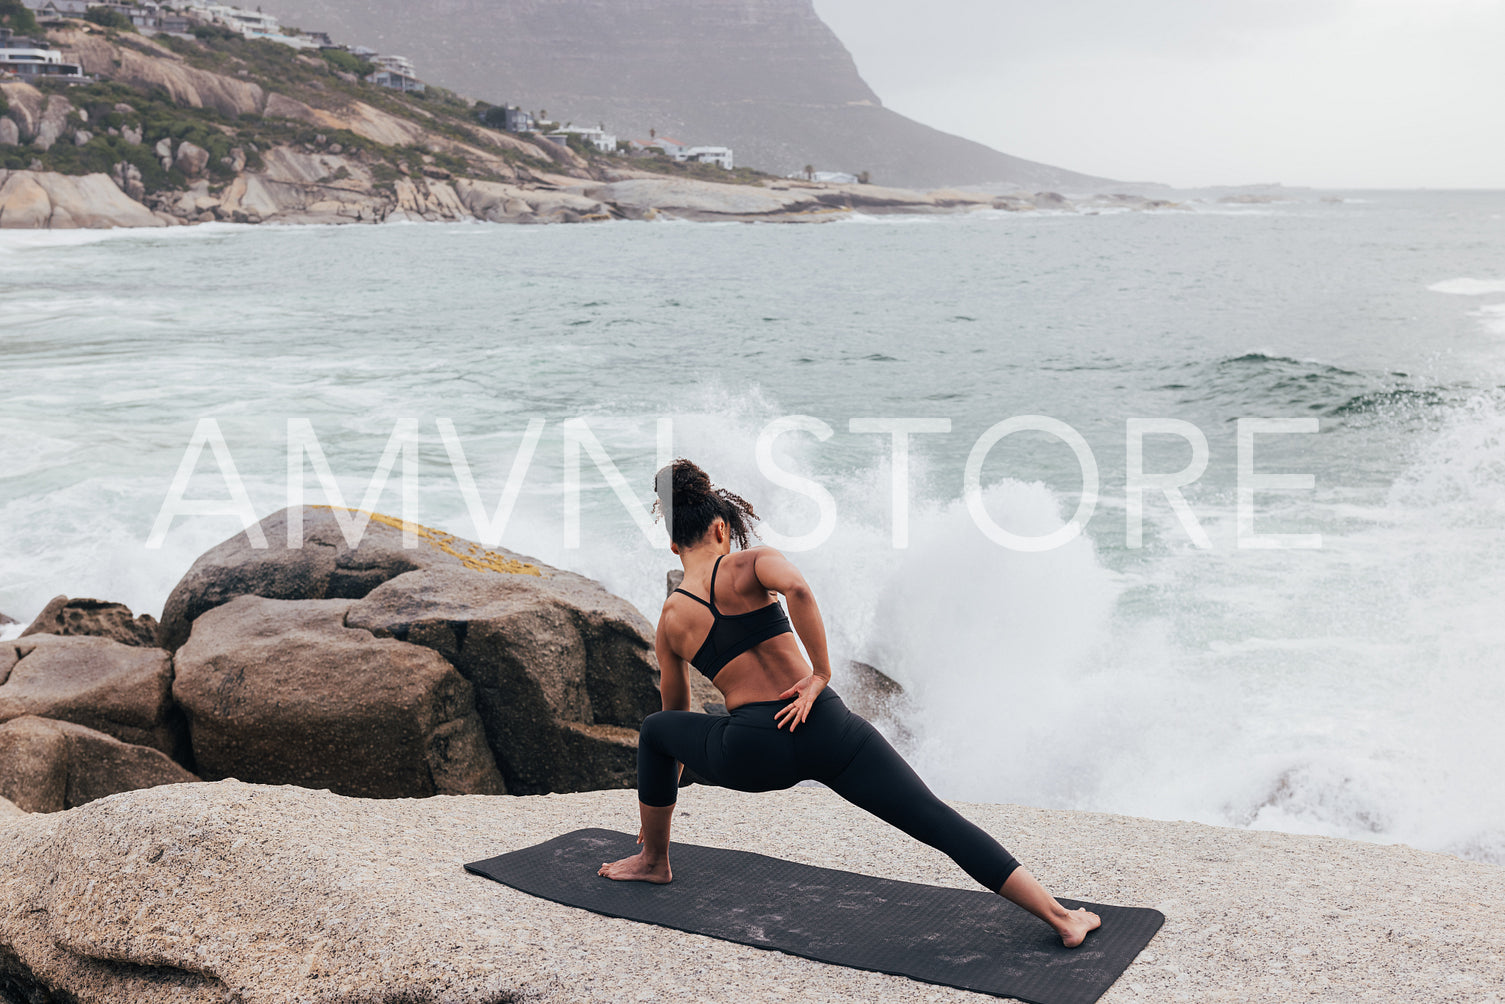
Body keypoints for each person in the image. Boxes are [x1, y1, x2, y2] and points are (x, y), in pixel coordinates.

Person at [597, 459, 1100, 949]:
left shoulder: (670, 619)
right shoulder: (751, 563)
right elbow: (796, 588)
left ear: (673, 545)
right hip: (826, 728)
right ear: (722, 530)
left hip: (752, 752)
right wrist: (819, 674)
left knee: (655, 729)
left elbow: (674, 717)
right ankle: (1060, 918)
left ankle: (654, 861)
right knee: (935, 819)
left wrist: (659, 799)